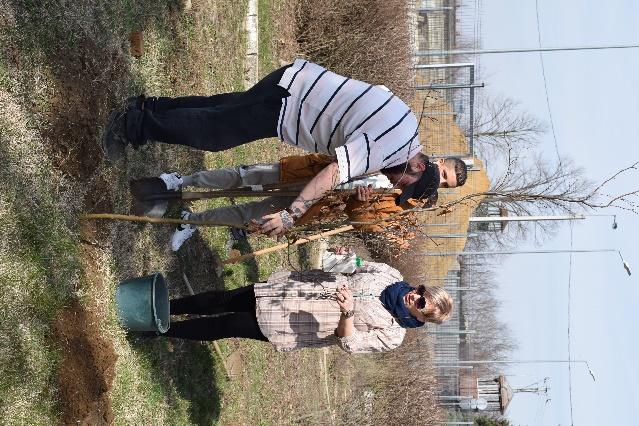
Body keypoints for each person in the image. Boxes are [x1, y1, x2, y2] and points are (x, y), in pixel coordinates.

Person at [103, 59, 466, 236]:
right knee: (213, 134)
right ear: (417, 168)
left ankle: (148, 108)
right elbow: (334, 170)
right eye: (404, 185)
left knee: (220, 109)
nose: (396, 185)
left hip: (297, 81)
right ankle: (132, 126)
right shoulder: (392, 150)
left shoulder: (406, 126)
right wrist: (291, 215)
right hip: (291, 106)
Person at [157, 152, 467, 250]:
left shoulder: (408, 199)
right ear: (438, 161)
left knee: (247, 214)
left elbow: (363, 220)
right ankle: (182, 181)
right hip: (306, 173)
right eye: (442, 173)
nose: (438, 180)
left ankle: (191, 222)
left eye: (444, 183)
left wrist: (361, 203)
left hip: (316, 205)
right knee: (244, 176)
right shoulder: (405, 150)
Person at [161, 261, 453, 353]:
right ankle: (164, 307)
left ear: (422, 317)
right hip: (298, 289)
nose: (415, 295)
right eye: (421, 290)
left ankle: (162, 330)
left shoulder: (393, 335)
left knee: (227, 325)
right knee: (224, 298)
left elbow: (350, 344)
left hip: (298, 324)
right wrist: (346, 258)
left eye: (421, 303)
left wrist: (348, 312)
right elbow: (358, 265)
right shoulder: (392, 276)